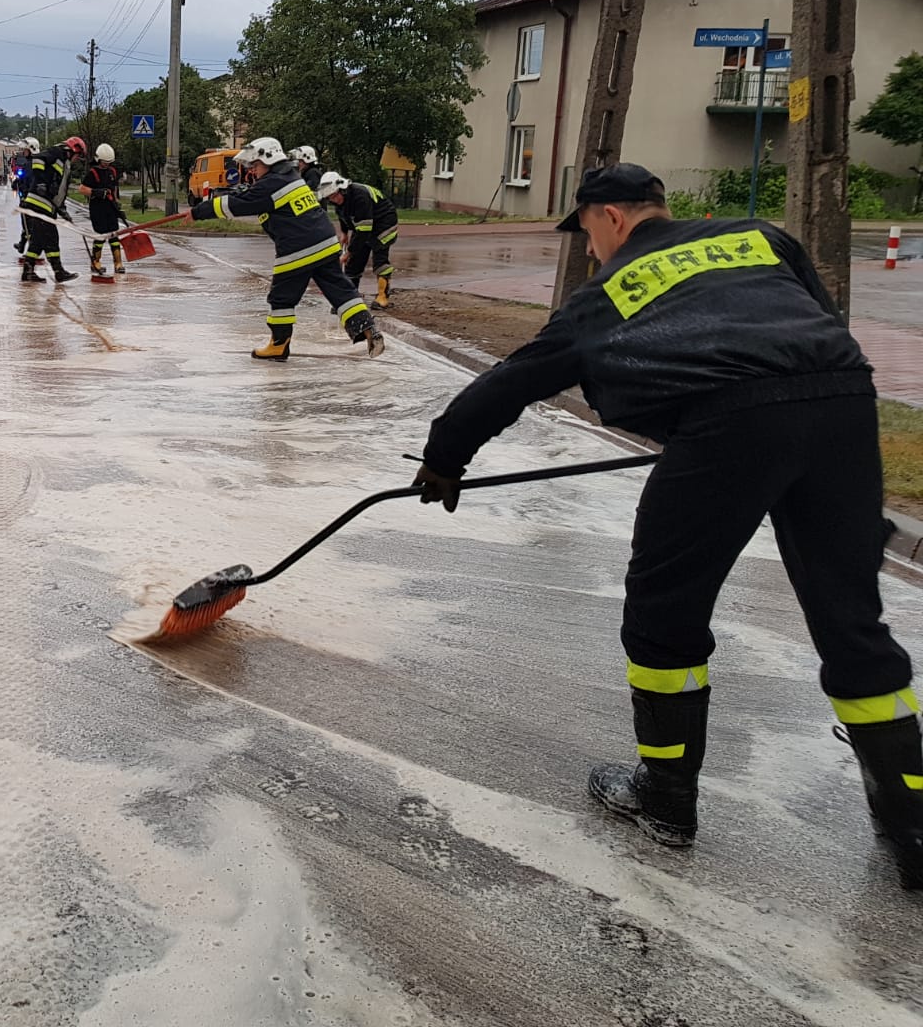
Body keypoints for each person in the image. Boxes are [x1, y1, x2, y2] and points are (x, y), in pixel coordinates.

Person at [413, 163, 923, 887]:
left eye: (586, 231)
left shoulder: (606, 295)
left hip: (728, 429)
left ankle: (665, 798)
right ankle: (914, 829)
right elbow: (817, 320)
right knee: (851, 618)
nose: (589, 249)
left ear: (611, 217)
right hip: (841, 401)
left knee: (665, 608)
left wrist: (444, 457)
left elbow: (514, 379)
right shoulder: (759, 238)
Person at [190, 136, 384, 362]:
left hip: (298, 249)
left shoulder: (271, 184)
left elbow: (236, 204)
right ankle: (367, 327)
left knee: (281, 299)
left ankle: (278, 345)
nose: (252, 171)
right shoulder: (291, 177)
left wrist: (197, 212)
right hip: (325, 243)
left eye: (255, 165)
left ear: (268, 160)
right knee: (341, 291)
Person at [318, 171, 399, 308]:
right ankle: (350, 297)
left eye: (334, 195)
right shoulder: (339, 200)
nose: (333, 200)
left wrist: (347, 253)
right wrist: (344, 233)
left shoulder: (359, 196)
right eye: (329, 198)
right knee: (354, 262)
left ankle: (382, 297)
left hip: (384, 223)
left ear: (342, 189)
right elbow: (344, 216)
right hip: (365, 224)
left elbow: (363, 232)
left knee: (379, 259)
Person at [20, 135, 86, 284]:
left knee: (38, 241)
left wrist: (62, 210)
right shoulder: (57, 152)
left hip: (46, 205)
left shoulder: (65, 163)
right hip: (39, 203)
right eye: (78, 156)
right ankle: (59, 272)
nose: (77, 160)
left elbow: (59, 190)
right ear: (73, 150)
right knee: (51, 238)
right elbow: (37, 159)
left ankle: (28, 271)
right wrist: (41, 182)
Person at [80, 142, 126, 277]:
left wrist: (117, 203)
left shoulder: (112, 171)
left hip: (110, 207)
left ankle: (118, 263)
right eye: (104, 162)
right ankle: (96, 262)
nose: (107, 164)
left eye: (109, 162)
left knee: (114, 234)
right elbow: (82, 189)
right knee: (100, 235)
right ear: (98, 159)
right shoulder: (92, 173)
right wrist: (96, 192)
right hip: (97, 208)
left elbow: (114, 187)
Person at [13, 136, 39, 258]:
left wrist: (25, 197)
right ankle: (22, 244)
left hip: (29, 200)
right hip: (31, 198)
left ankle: (31, 250)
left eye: (25, 150)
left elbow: (30, 182)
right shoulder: (32, 163)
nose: (23, 152)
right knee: (28, 225)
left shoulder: (31, 164)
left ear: (31, 150)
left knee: (29, 226)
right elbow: (25, 179)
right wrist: (18, 181)